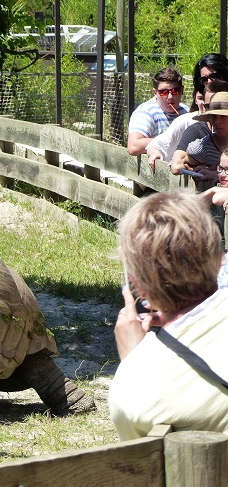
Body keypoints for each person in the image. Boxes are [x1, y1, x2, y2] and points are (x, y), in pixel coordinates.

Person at [109, 191, 228, 441]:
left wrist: (134, 361)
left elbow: (141, 463)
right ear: (220, 261)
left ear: (137, 285)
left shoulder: (132, 392)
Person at [146, 54, 228, 169]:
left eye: (214, 76)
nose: (209, 82)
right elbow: (158, 146)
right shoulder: (190, 123)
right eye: (204, 79)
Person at [127, 67, 188, 156]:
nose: (170, 96)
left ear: (182, 90)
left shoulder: (186, 112)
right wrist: (172, 141)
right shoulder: (146, 112)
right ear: (155, 92)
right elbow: (133, 146)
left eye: (175, 91)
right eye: (164, 92)